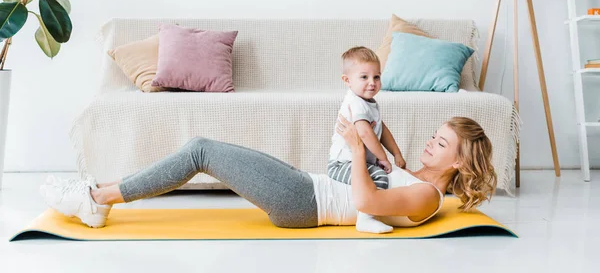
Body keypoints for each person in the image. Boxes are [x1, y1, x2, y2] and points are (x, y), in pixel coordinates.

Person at [40, 112, 497, 232]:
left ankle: (97, 201)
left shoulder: (427, 197)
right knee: (206, 149)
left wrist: (358, 150)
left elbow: (367, 202)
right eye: (434, 135)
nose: (429, 143)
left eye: (440, 143)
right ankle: (98, 191)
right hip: (307, 185)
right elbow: (382, 143)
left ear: (457, 162)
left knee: (200, 150)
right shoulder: (411, 171)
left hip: (302, 203)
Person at [327, 46, 406, 233]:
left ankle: (377, 210)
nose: (372, 82)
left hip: (356, 161)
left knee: (390, 175)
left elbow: (381, 129)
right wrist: (383, 158)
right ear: (347, 80)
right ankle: (366, 218)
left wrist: (397, 153)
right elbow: (365, 133)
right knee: (379, 176)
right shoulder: (355, 102)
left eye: (376, 77)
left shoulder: (369, 103)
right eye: (364, 77)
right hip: (341, 164)